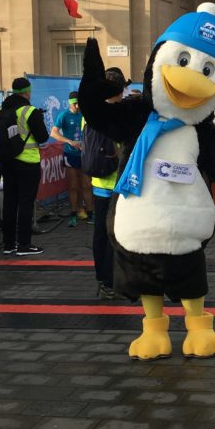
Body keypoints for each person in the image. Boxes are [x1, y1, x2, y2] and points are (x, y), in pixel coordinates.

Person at [84, 68, 127, 299]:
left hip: (98, 181)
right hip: (116, 184)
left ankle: (103, 279)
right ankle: (111, 281)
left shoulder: (91, 111)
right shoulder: (117, 114)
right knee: (115, 234)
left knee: (101, 232)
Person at [0, 77, 49, 255]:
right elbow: (42, 137)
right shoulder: (30, 111)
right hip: (27, 162)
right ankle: (24, 244)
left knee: (10, 202)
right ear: (27, 92)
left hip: (7, 161)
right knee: (26, 202)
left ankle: (8, 244)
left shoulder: (3, 109)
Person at [51, 91, 94, 227]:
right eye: (75, 104)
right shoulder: (64, 115)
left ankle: (90, 213)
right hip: (70, 154)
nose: (77, 106)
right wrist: (69, 141)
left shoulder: (85, 115)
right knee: (73, 185)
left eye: (79, 103)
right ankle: (73, 214)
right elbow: (53, 133)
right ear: (70, 104)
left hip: (85, 154)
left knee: (87, 184)